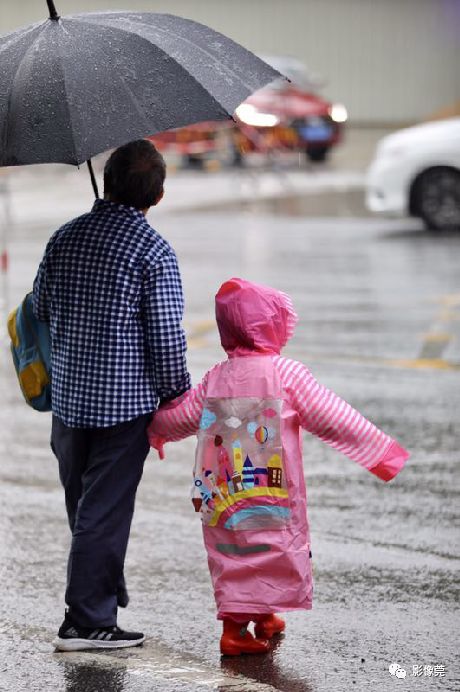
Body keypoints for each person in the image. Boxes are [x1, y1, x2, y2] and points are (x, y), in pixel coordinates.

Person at [148, 277, 409, 656]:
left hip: (221, 491)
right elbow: (334, 417)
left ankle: (256, 618)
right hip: (271, 487)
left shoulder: (215, 377)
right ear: (272, 324)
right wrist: (383, 454)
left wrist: (155, 430)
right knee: (274, 548)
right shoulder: (285, 373)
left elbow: (183, 417)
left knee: (233, 552)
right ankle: (236, 632)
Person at [32, 140, 191, 651]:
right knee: (103, 513)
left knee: (85, 509)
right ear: (158, 194)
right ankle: (85, 622)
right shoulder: (152, 250)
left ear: (111, 180)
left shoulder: (65, 238)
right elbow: (166, 336)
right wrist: (176, 396)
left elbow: (41, 308)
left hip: (71, 402)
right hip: (123, 412)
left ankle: (101, 593)